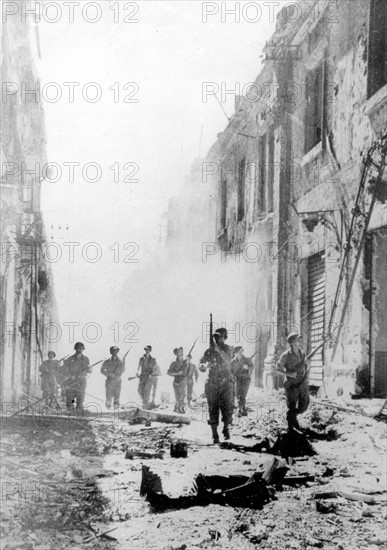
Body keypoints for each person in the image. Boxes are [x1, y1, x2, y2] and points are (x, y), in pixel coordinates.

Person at [199, 327, 234, 443]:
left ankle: (225, 428)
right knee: (212, 408)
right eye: (216, 337)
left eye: (220, 337)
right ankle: (214, 434)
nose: (218, 339)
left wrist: (218, 350)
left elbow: (229, 360)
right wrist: (203, 366)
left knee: (227, 408)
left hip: (225, 383)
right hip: (213, 383)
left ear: (225, 337)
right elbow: (201, 363)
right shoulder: (209, 351)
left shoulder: (228, 349)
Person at [275, 332, 310, 431]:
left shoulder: (302, 353)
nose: (300, 342)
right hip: (292, 384)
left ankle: (291, 416)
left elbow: (304, 367)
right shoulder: (286, 355)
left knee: (304, 406)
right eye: (298, 340)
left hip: (302, 382)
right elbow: (277, 369)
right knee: (292, 406)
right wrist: (289, 374)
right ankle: (291, 428)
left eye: (299, 340)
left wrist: (308, 365)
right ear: (293, 343)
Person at [63, 342, 91, 413]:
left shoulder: (86, 359)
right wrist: (70, 376)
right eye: (78, 348)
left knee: (80, 395)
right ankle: (70, 408)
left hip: (81, 381)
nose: (79, 349)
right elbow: (65, 370)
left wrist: (84, 373)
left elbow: (89, 370)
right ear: (75, 349)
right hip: (72, 380)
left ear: (83, 349)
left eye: (81, 348)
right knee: (71, 395)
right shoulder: (70, 359)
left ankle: (79, 408)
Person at [231, 346, 254, 416]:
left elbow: (252, 367)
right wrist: (233, 376)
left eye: (241, 351)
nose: (240, 353)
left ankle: (242, 408)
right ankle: (240, 408)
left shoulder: (247, 360)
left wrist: (247, 368)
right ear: (235, 353)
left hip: (245, 379)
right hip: (237, 380)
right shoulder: (233, 362)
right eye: (239, 352)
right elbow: (230, 371)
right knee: (238, 394)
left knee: (243, 394)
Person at [137, 345, 159, 409]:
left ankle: (145, 404)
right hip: (142, 377)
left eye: (148, 350)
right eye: (146, 349)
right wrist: (137, 373)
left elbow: (155, 369)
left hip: (149, 377)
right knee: (139, 390)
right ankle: (146, 402)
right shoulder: (141, 359)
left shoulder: (153, 360)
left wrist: (152, 374)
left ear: (150, 350)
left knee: (146, 391)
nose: (147, 351)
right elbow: (138, 368)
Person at [167, 347, 188, 413]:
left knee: (183, 396)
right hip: (177, 382)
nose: (181, 352)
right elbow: (169, 372)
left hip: (184, 381)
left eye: (182, 351)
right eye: (179, 351)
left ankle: (181, 409)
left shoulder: (185, 362)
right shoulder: (173, 363)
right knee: (178, 397)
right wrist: (177, 373)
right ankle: (177, 408)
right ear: (176, 354)